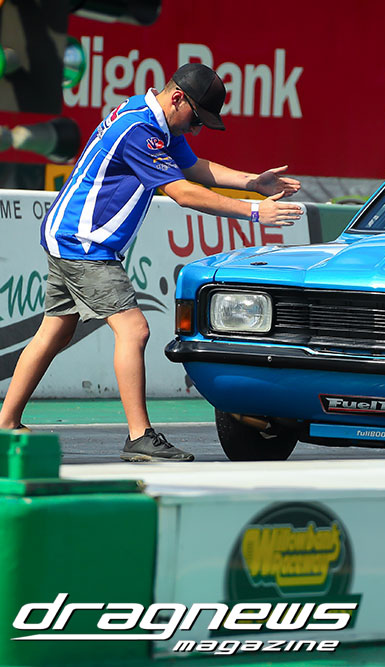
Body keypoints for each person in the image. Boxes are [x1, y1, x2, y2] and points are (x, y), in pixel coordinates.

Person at [0, 63, 303, 462]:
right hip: (85, 243)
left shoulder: (149, 116)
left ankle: (6, 423)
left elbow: (194, 167)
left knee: (54, 331)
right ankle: (139, 436)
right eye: (196, 119)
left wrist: (252, 182)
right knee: (134, 329)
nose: (196, 129)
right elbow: (183, 193)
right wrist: (254, 211)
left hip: (67, 234)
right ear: (177, 98)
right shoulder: (140, 131)